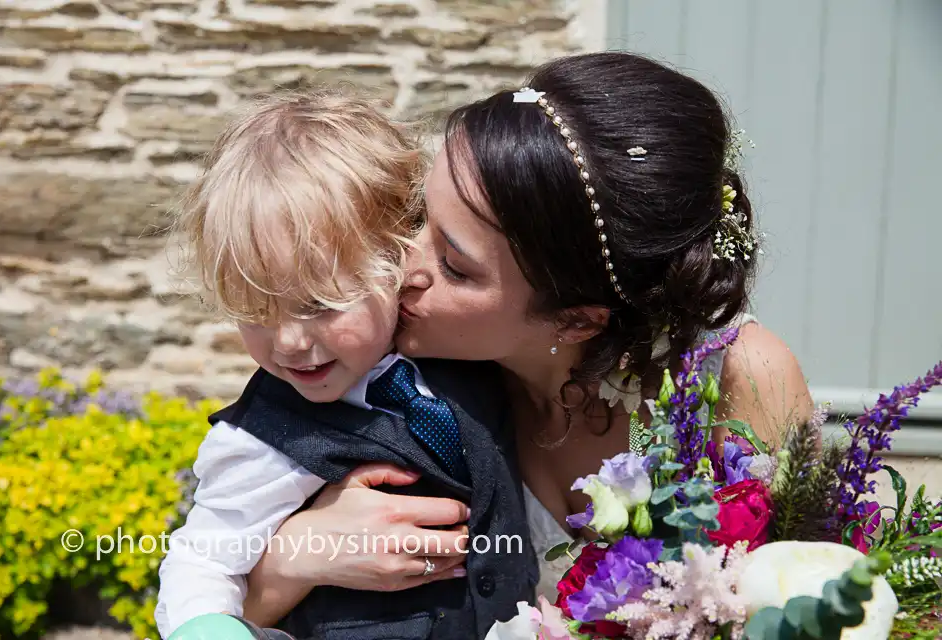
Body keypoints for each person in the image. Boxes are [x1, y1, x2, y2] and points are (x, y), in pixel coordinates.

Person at [239, 51, 815, 625]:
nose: (401, 268)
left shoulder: (742, 378)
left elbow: (819, 596)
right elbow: (211, 603)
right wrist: (299, 555)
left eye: (454, 265)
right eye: (417, 218)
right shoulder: (373, 366)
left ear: (576, 321)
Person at [155, 90, 536, 639]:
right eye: (254, 312)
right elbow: (203, 562)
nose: (287, 341)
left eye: (318, 305)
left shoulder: (467, 354)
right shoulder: (263, 436)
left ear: (398, 255)